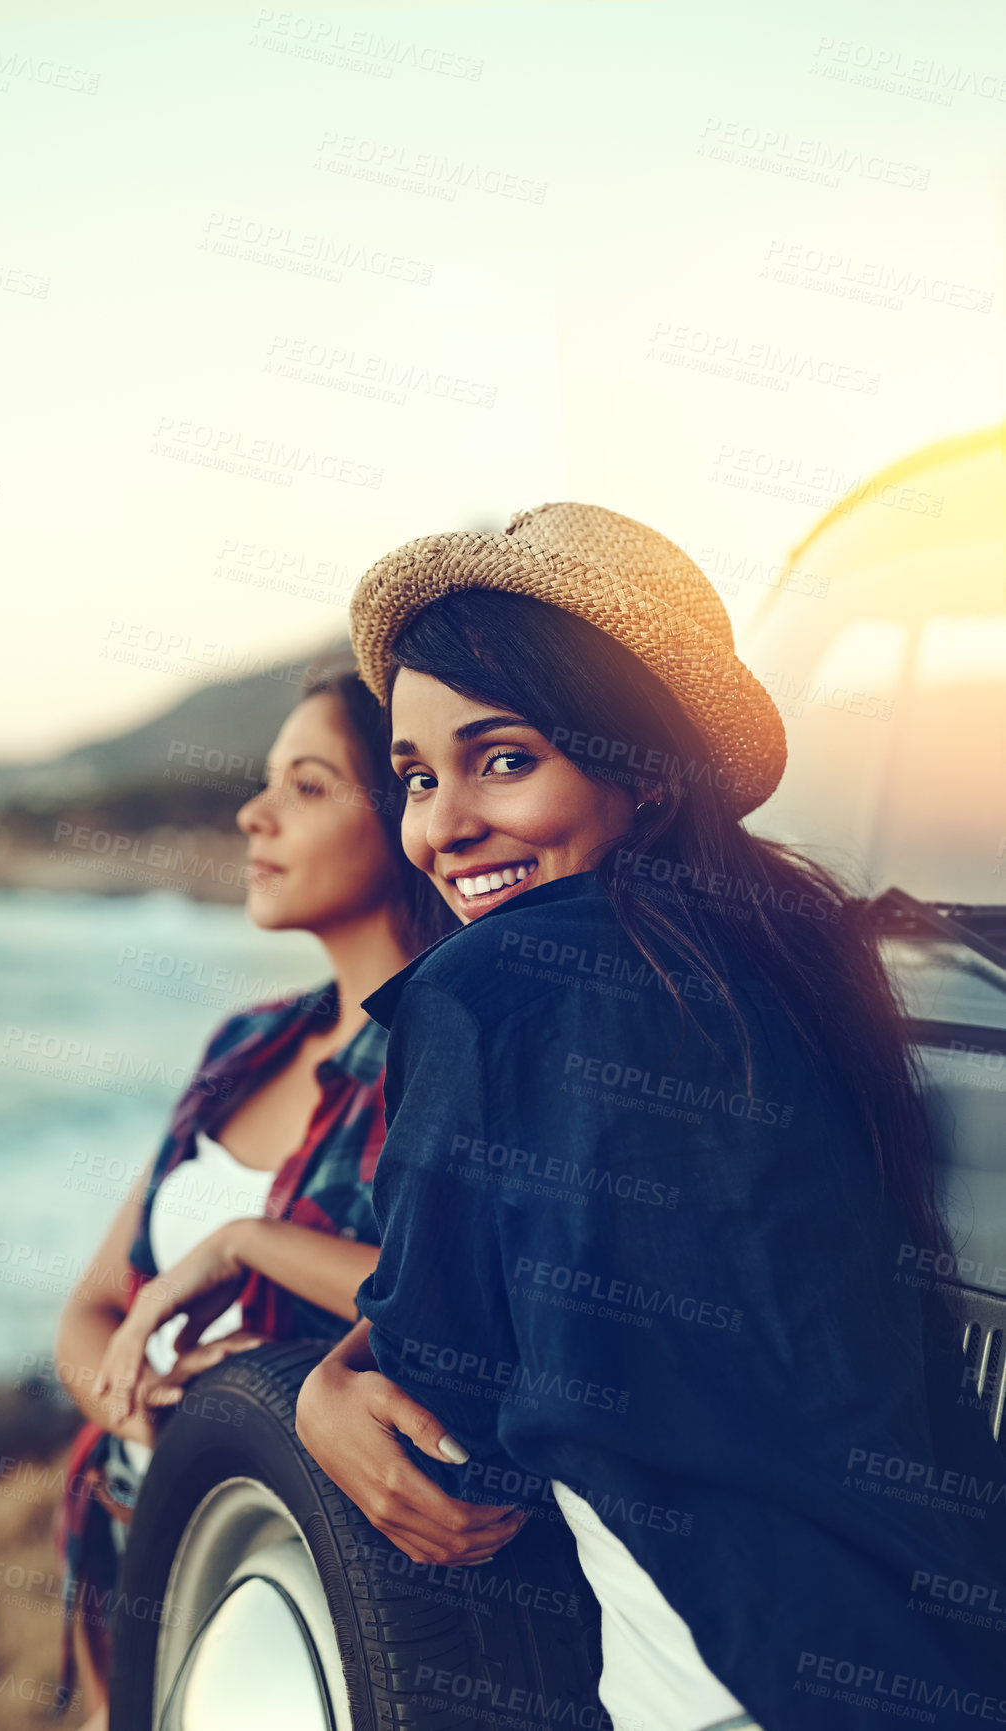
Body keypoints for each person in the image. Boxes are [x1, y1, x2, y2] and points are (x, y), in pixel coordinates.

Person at [293, 504, 1006, 1731]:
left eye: (504, 758)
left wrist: (317, 1385)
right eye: (416, 777)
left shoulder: (498, 989)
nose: (444, 826)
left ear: (647, 766)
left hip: (731, 1682)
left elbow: (445, 1429)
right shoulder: (802, 966)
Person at [51, 660, 456, 1729]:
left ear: (408, 813)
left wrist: (246, 1240)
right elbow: (97, 1302)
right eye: (267, 780)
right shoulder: (247, 1041)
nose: (253, 813)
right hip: (143, 1546)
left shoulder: (445, 1055)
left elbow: (465, 1304)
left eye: (309, 786)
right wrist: (140, 1400)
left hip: (315, 1602)